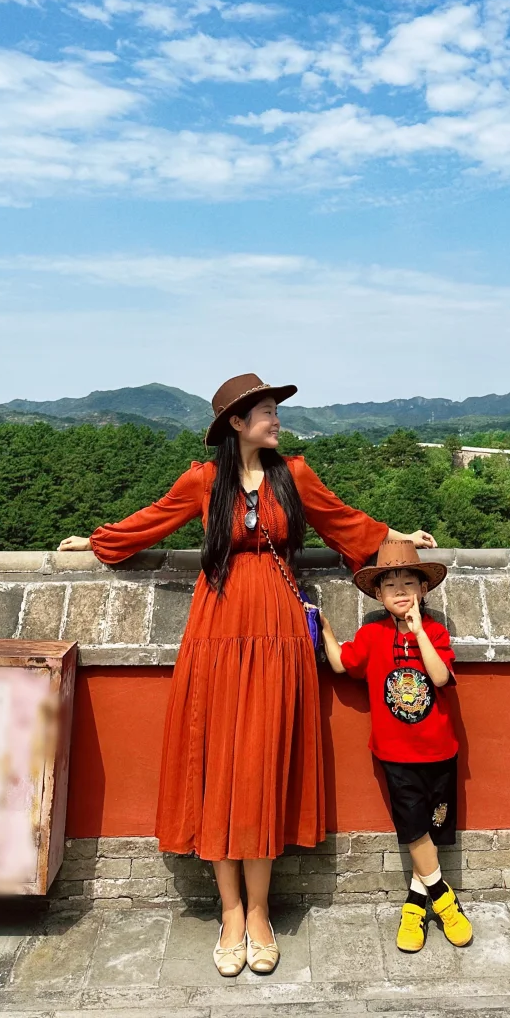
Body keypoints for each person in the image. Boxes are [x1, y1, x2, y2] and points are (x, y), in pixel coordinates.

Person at [58, 373, 437, 978]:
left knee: (261, 761)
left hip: (281, 629)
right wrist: (99, 543)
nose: (275, 419)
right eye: (264, 411)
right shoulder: (204, 480)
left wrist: (397, 539)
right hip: (216, 627)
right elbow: (154, 519)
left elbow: (345, 522)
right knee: (218, 760)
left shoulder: (296, 476)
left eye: (273, 410)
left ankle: (259, 912)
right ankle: (229, 912)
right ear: (236, 423)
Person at [320, 536, 473, 954]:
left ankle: (415, 902)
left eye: (409, 582)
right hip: (395, 753)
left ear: (423, 590)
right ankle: (444, 900)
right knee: (411, 827)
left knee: (432, 828)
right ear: (378, 593)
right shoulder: (371, 636)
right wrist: (325, 627)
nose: (401, 590)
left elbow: (440, 678)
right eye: (390, 584)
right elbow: (340, 663)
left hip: (439, 749)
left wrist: (419, 630)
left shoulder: (436, 631)